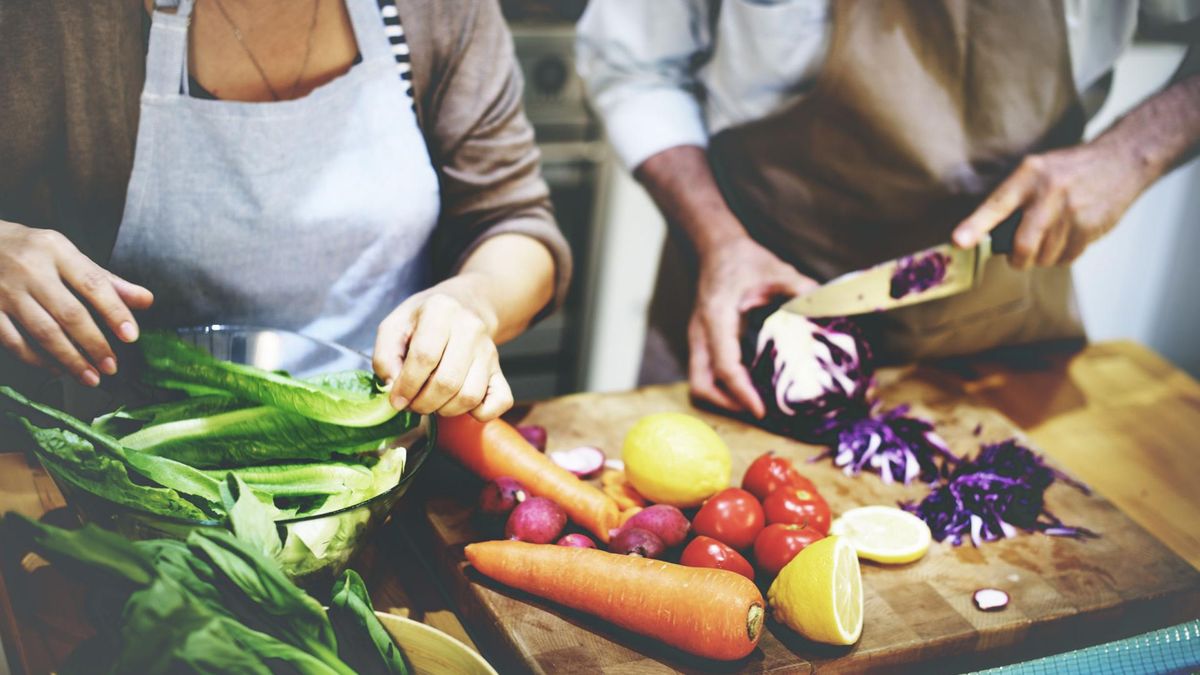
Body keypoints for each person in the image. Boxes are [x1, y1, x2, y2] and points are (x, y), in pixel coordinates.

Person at [576, 0, 1200, 419]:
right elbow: (634, 67)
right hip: (747, 303)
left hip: (1001, 315)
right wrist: (719, 240)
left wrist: (1134, 151)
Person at [0, 0, 570, 421]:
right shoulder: (54, 21)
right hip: (124, 464)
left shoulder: (437, 11)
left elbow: (513, 224)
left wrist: (473, 300)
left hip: (384, 458)